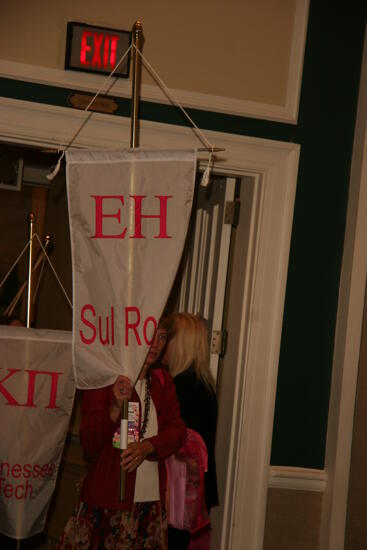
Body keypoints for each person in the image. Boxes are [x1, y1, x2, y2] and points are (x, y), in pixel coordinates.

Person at [56, 324, 187, 550]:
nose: (156, 344)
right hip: (107, 503)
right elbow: (89, 442)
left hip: (150, 505)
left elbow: (178, 431)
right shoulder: (104, 380)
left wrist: (148, 446)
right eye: (149, 334)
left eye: (162, 336)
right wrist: (115, 408)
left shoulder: (163, 382)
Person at [162, 313, 219, 550]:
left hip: (180, 494)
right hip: (195, 492)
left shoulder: (180, 388)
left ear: (178, 344)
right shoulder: (205, 387)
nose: (160, 343)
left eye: (166, 338)